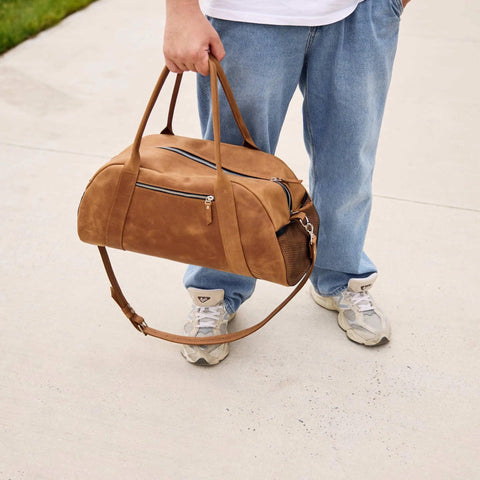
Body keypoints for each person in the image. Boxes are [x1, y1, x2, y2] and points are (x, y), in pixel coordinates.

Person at [163, 0, 411, 365]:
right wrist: (181, 11)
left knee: (350, 160)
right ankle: (215, 292)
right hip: (247, 14)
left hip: (359, 14)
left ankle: (341, 274)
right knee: (231, 170)